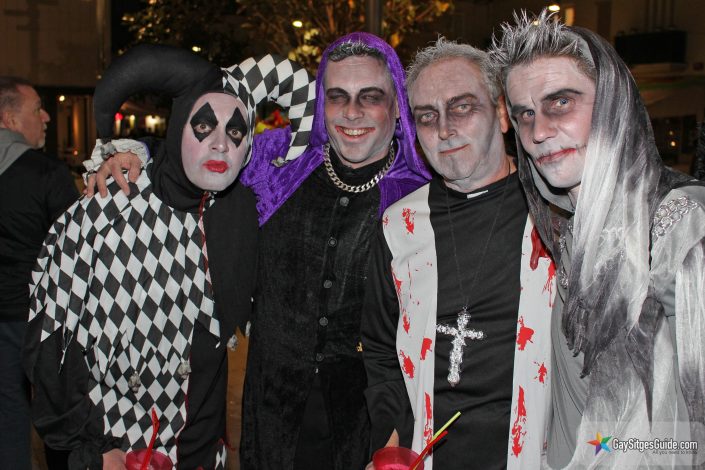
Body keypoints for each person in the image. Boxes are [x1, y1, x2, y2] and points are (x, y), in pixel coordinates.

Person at [87, 32, 431, 469]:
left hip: (368, 421)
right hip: (273, 412)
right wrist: (136, 153)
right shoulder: (278, 162)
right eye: (337, 96)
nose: (352, 111)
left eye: (371, 97)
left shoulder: (422, 195)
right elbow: (198, 154)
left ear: (397, 105)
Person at [23, 45, 314, 469]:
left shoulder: (242, 216)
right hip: (117, 448)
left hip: (200, 451)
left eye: (236, 132)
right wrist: (90, 448)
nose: (220, 144)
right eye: (204, 125)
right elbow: (49, 342)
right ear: (178, 127)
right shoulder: (106, 207)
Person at [490, 10, 705, 468]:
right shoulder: (569, 232)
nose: (539, 131)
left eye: (560, 102)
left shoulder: (679, 223)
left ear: (612, 103)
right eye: (525, 113)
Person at [362, 39, 555, 470]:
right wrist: (391, 446)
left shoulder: (556, 214)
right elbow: (379, 349)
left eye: (462, 107)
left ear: (502, 114)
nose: (444, 129)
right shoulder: (399, 226)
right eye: (427, 116)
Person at [0, 76, 79, 469]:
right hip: (39, 319)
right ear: (9, 119)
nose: (46, 117)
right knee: (58, 416)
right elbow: (77, 251)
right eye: (37, 110)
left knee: (8, 415)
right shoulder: (46, 173)